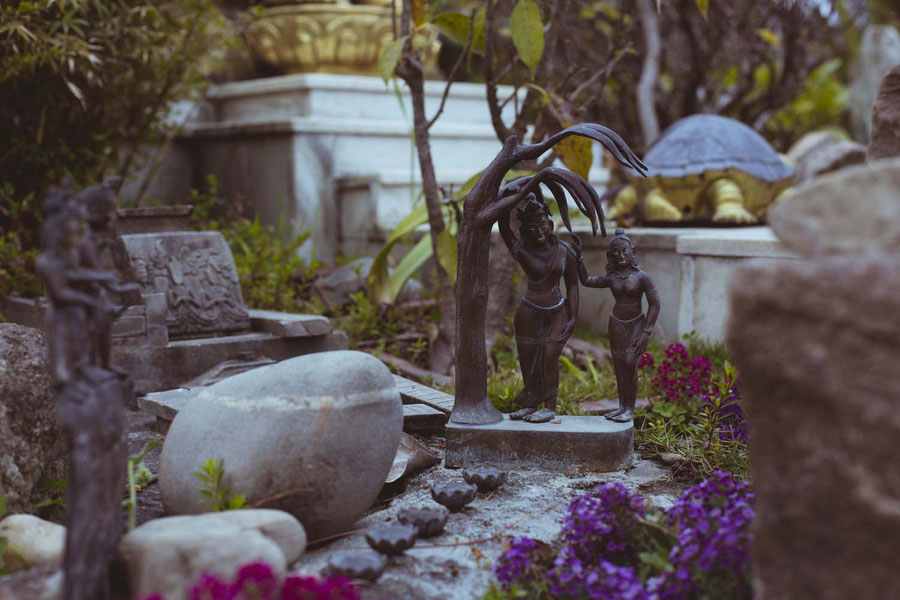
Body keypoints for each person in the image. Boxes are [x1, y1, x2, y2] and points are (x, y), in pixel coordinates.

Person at [499, 195, 579, 423]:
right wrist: (508, 196)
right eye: (532, 228)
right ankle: (530, 403)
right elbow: (503, 225)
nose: (539, 232)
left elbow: (573, 284)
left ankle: (549, 406)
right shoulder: (521, 250)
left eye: (542, 225)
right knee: (527, 357)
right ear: (525, 231)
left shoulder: (565, 251)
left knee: (549, 356)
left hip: (558, 311)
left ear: (551, 224)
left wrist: (573, 317)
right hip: (529, 312)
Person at [575, 228, 660, 422]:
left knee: (630, 363)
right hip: (616, 325)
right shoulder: (611, 278)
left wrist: (646, 332)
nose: (621, 256)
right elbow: (587, 280)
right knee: (620, 366)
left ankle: (629, 408)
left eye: (625, 251)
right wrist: (579, 258)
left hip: (636, 324)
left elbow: (655, 304)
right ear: (610, 256)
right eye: (616, 252)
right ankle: (622, 407)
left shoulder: (642, 277)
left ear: (633, 252)